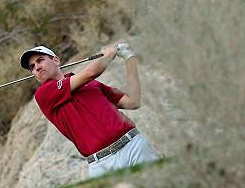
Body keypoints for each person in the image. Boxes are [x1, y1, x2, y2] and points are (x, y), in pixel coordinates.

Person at [19, 42, 158, 178]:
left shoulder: (92, 84)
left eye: (40, 60)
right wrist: (109, 54)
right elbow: (91, 72)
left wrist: (129, 58)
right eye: (32, 66)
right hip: (102, 164)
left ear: (56, 60)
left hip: (133, 146)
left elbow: (133, 102)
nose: (36, 67)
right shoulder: (44, 93)